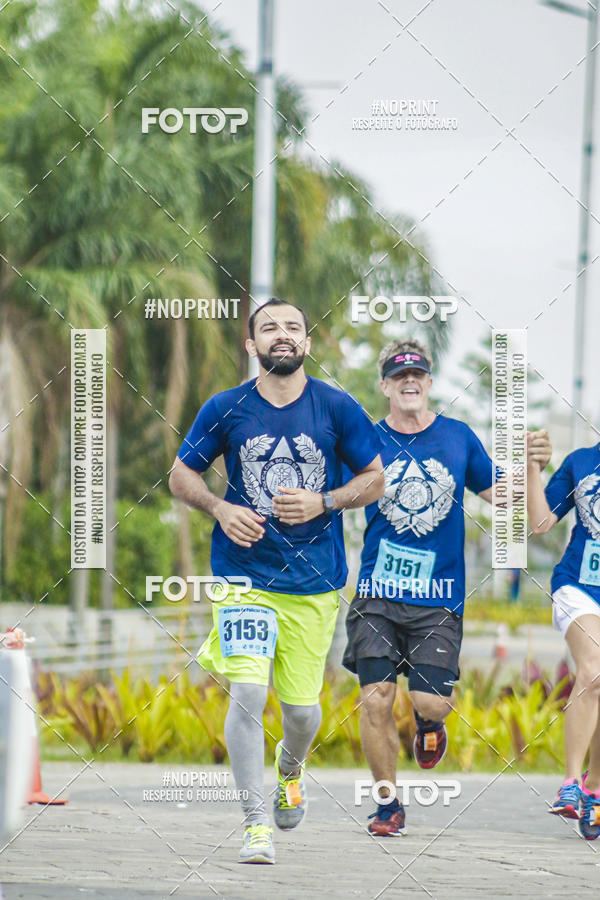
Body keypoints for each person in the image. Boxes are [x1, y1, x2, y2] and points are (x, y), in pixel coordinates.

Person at [169, 298, 384, 864]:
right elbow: (180, 473)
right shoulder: (226, 407)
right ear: (251, 345)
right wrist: (218, 507)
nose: (282, 335)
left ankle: (291, 767)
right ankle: (254, 823)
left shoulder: (337, 408)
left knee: (301, 711)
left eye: (293, 327)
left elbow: (375, 479)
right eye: (269, 328)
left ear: (307, 343)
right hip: (242, 575)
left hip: (314, 582)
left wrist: (326, 500)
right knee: (246, 691)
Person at [343, 339, 551, 836]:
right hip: (377, 592)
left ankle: (431, 723)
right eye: (398, 375)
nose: (409, 381)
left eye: (418, 373)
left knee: (429, 701)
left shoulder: (458, 437)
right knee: (375, 699)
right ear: (385, 387)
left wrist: (533, 465)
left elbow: (503, 498)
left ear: (430, 383)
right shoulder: (366, 440)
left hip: (438, 599)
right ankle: (388, 805)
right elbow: (338, 495)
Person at [528, 437, 600, 839]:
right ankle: (572, 783)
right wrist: (533, 467)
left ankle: (594, 788)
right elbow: (540, 524)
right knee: (592, 669)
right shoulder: (582, 462)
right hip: (579, 586)